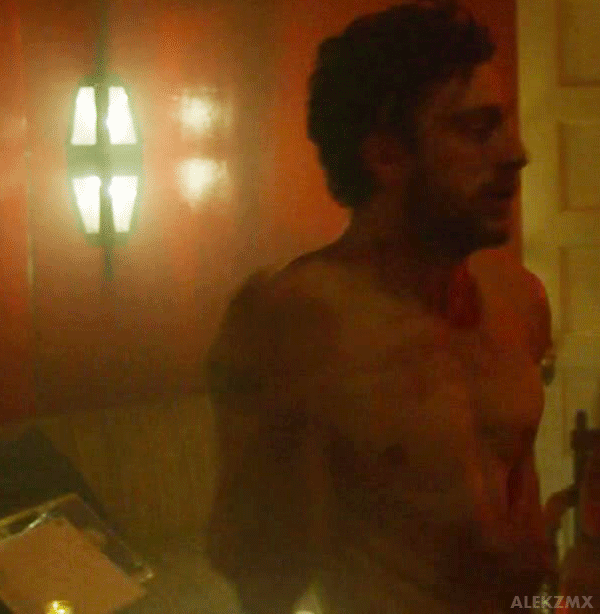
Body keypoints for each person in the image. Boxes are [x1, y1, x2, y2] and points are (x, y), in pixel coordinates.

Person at [205, 2, 554, 613]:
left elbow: (519, 543)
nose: (516, 152)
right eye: (477, 130)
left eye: (506, 124)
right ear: (387, 156)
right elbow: (260, 582)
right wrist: (280, 422)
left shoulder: (518, 298)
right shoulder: (301, 319)